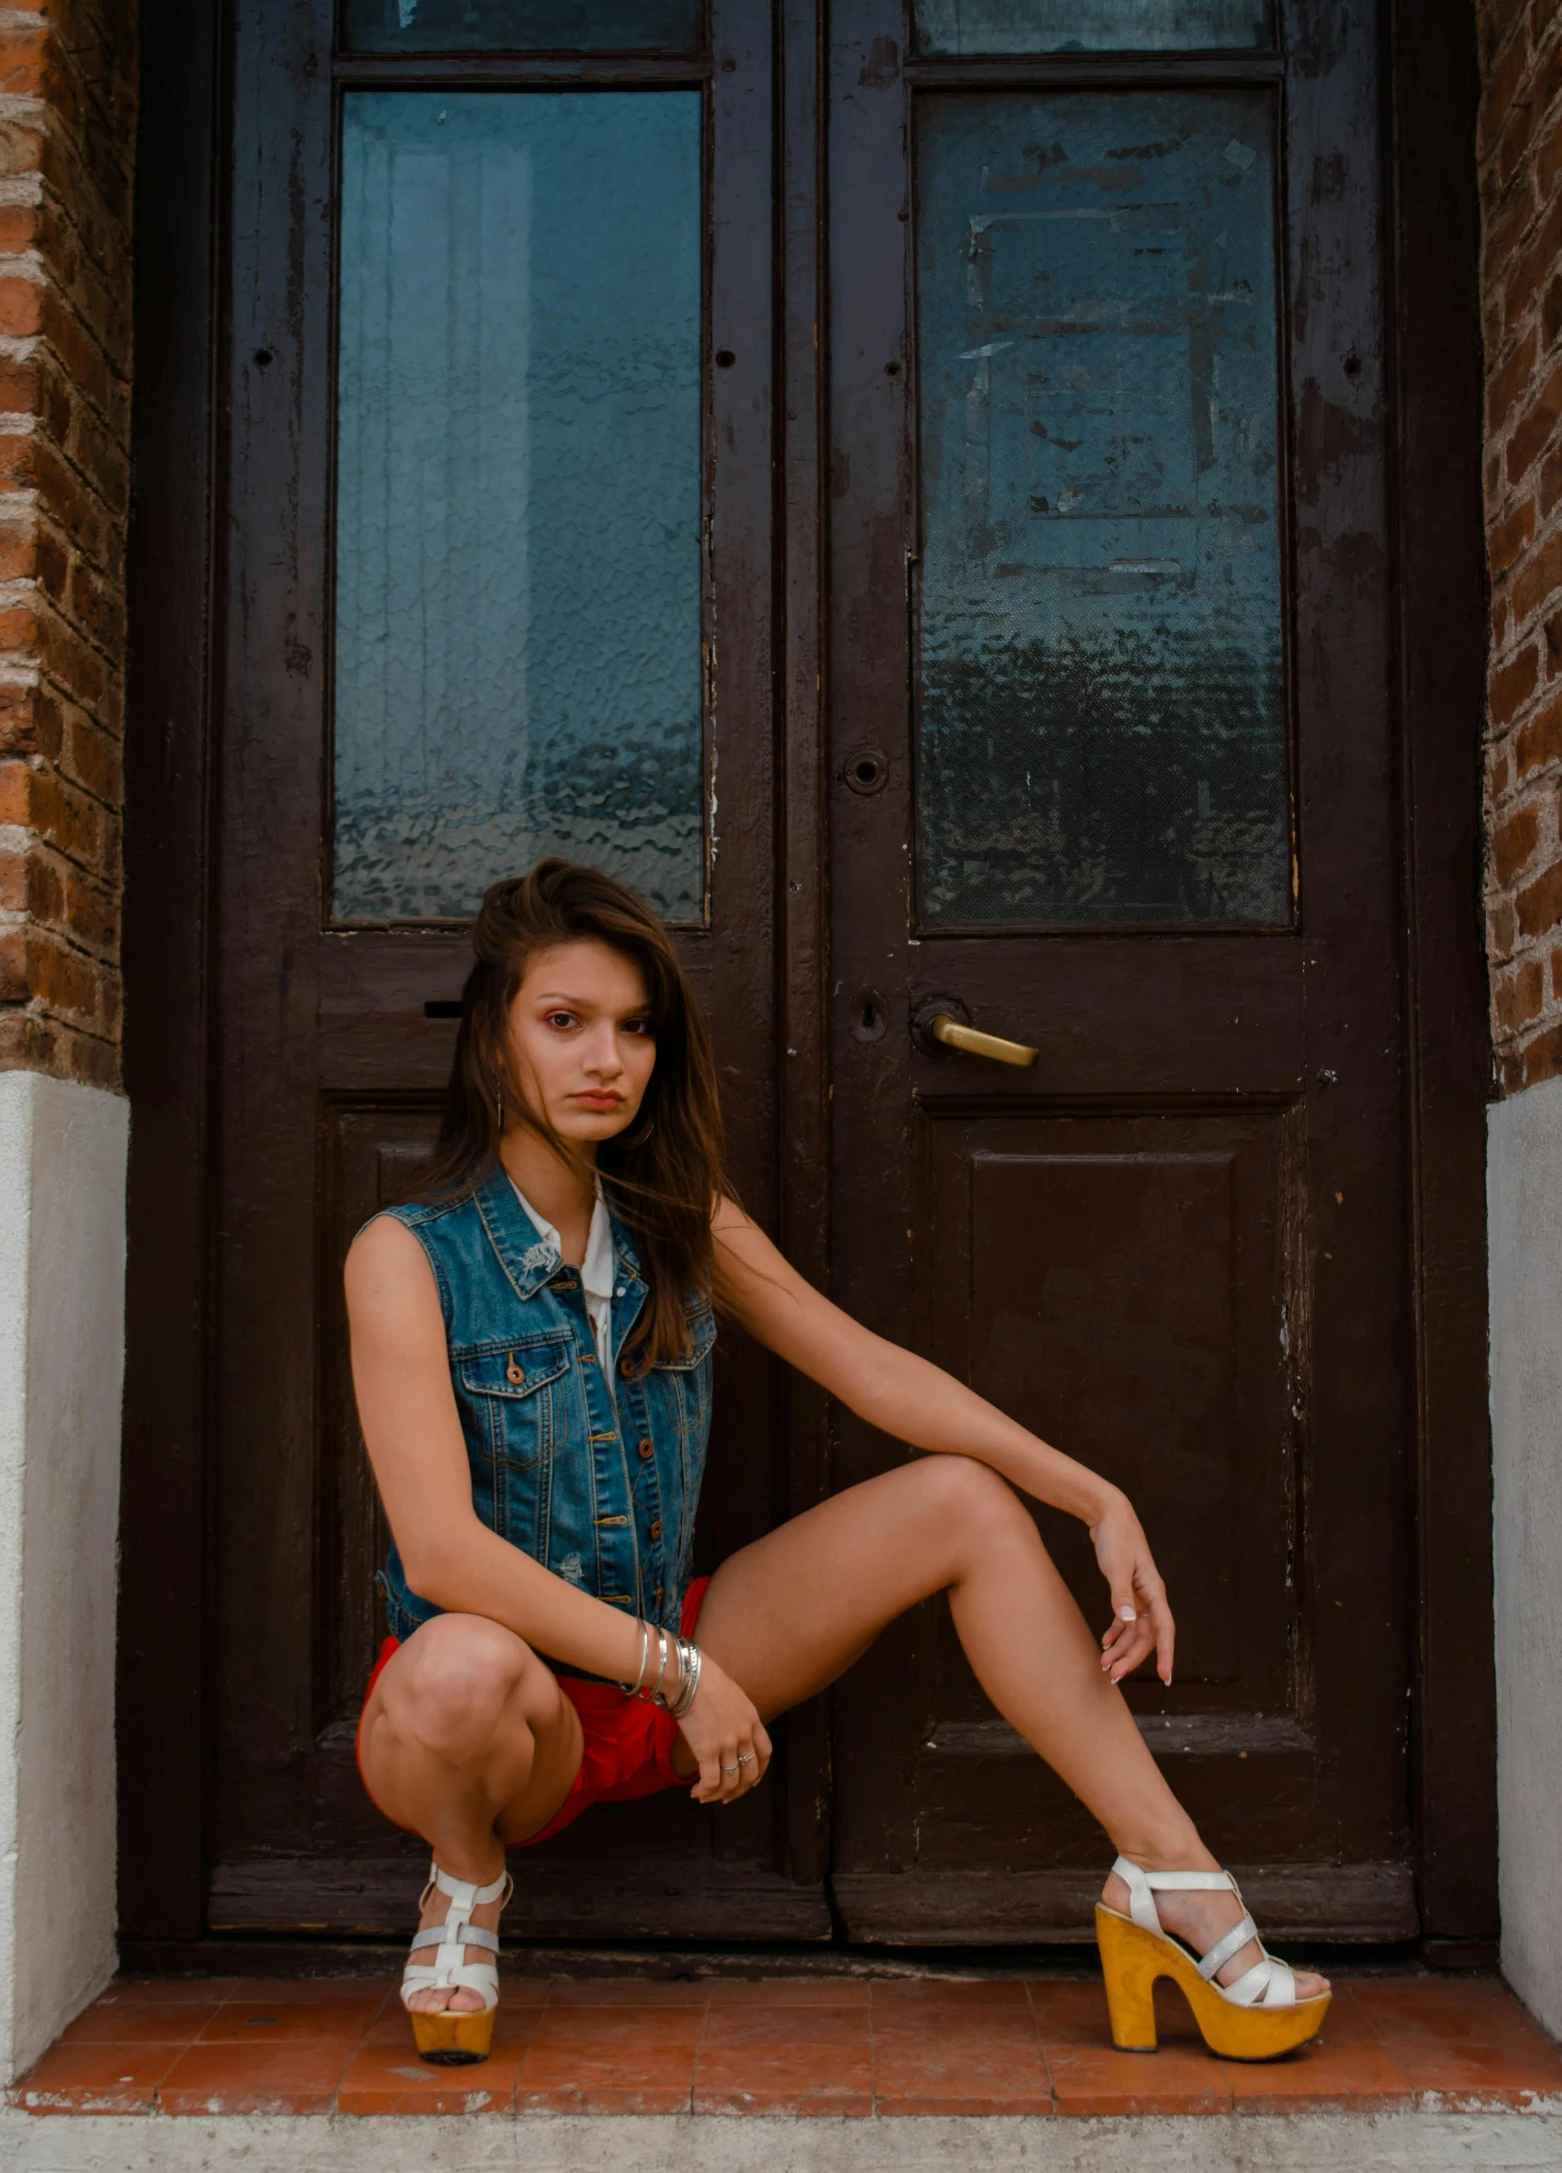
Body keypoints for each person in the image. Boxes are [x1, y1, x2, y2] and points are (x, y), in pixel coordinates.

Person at [347, 860, 1331, 2069]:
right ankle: (465, 1882)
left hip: (678, 1662)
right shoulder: (407, 1255)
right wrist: (679, 1676)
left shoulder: (678, 1217)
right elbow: (442, 1552)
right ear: (496, 1046)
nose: (607, 1058)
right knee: (458, 1664)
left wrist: (1091, 1494)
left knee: (962, 1501)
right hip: (505, 1726)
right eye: (564, 1023)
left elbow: (871, 1373)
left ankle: (1173, 1883)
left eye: (634, 1028)